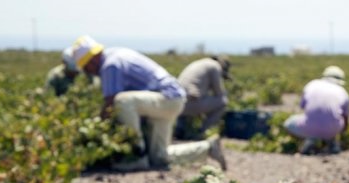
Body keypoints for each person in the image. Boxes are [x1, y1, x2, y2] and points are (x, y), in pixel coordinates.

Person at [71, 35, 227, 171]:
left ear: (92, 60)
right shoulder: (116, 54)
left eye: (86, 67)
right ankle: (207, 148)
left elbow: (110, 103)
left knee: (121, 101)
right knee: (159, 158)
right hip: (171, 100)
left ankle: (136, 154)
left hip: (167, 98)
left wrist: (99, 130)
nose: (88, 72)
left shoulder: (110, 65)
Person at [283, 66, 349, 155]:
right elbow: (346, 120)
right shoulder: (344, 93)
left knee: (288, 123)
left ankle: (310, 141)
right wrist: (340, 132)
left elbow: (303, 107)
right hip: (333, 129)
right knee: (335, 120)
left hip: (309, 127)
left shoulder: (312, 84)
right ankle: (331, 142)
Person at [175, 56, 231, 139]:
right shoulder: (215, 66)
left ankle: (180, 129)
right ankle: (202, 132)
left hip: (175, 103)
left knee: (195, 96)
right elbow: (219, 93)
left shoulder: (200, 63)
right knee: (223, 102)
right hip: (189, 103)